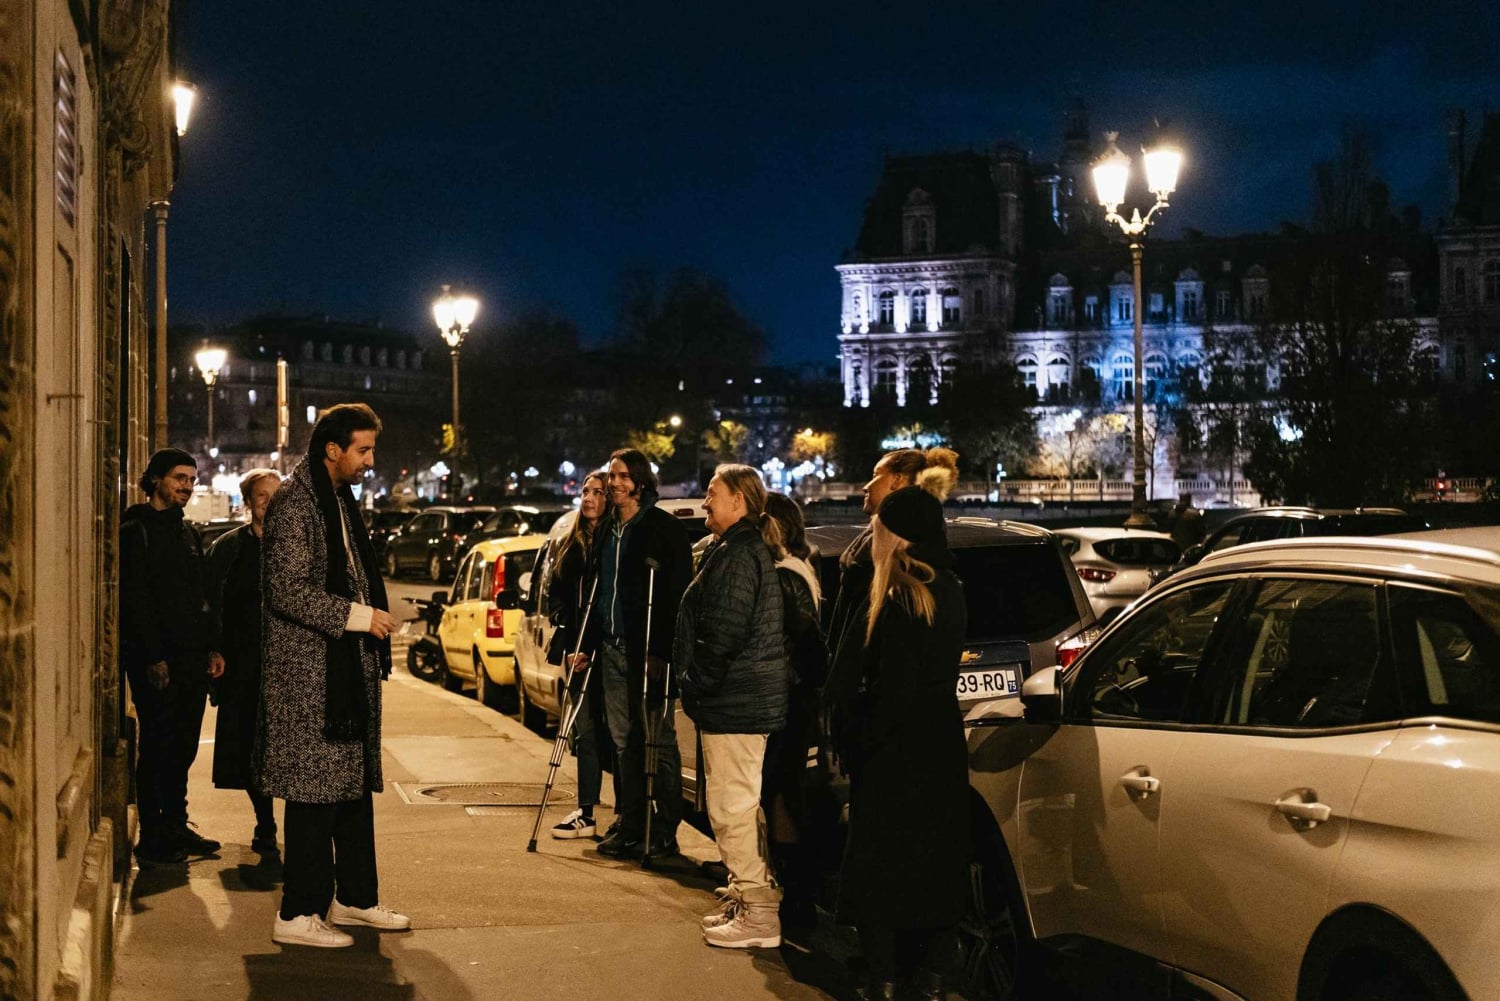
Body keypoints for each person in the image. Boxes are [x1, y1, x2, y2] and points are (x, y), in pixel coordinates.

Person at [256, 403, 407, 949]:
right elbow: (286, 589)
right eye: (363, 450)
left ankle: (355, 899)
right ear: (332, 450)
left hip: (337, 674)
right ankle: (297, 913)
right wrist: (360, 616)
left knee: (347, 796)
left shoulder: (337, 498)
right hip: (310, 677)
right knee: (313, 799)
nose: (370, 460)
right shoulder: (297, 503)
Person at [825, 486, 971, 1001]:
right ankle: (933, 978)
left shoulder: (901, 595)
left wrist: (860, 736)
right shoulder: (950, 587)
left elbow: (892, 688)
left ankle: (883, 978)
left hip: (895, 751)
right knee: (934, 863)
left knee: (880, 866)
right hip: (940, 744)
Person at [676, 464, 790, 949]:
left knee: (731, 807)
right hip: (738, 699)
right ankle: (752, 894)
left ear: (738, 502)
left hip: (734, 701)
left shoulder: (739, 554)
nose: (705, 502)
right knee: (739, 804)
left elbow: (723, 632)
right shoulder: (737, 548)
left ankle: (760, 915)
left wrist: (695, 684)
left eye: (711, 494)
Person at [582, 448, 692, 860]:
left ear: (641, 482)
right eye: (612, 476)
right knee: (624, 741)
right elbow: (598, 594)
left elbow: (677, 594)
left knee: (656, 741)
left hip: (648, 650)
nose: (615, 483)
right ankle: (630, 822)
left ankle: (663, 828)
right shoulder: (607, 530)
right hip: (612, 648)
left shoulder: (662, 529)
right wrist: (588, 645)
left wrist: (663, 651)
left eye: (624, 476)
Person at [120, 447, 225, 865]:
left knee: (183, 747)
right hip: (157, 660)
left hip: (191, 657)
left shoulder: (187, 531)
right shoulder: (136, 529)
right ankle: (154, 834)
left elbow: (201, 596)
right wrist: (152, 657)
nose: (187, 485)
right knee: (158, 745)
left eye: (192, 479)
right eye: (180, 477)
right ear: (157, 479)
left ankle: (176, 824)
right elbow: (135, 598)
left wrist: (212, 647)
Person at [204, 468, 283, 858]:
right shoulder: (228, 548)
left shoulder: (296, 546)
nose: (269, 501)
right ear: (248, 502)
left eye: (276, 494)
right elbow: (210, 604)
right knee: (251, 747)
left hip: (287, 664)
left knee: (284, 747)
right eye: (262, 495)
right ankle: (265, 820)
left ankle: (294, 825)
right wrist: (214, 650)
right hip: (243, 664)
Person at [761, 491, 829, 932]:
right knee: (787, 795)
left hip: (789, 703)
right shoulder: (804, 567)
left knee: (783, 796)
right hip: (795, 700)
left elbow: (806, 643)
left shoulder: (786, 575)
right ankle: (796, 891)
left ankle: (797, 896)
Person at [825, 447, 959, 659]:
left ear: (897, 480)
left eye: (876, 475)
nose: (866, 487)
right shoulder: (927, 544)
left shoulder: (900, 567)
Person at [544, 471, 612, 839]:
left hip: (604, 650)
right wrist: (570, 638)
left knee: (614, 733)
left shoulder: (611, 544)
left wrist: (593, 646)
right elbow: (557, 594)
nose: (588, 498)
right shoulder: (570, 545)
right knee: (583, 731)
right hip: (576, 649)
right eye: (585, 491)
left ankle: (622, 811)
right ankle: (586, 810)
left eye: (598, 492)